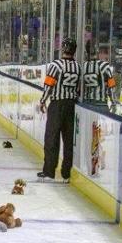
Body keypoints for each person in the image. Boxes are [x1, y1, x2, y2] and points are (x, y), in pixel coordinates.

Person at [38, 37, 81, 182]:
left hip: (57, 105)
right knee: (68, 140)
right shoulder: (78, 67)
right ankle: (66, 174)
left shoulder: (56, 65)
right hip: (71, 105)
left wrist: (43, 100)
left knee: (52, 138)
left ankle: (49, 171)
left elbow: (48, 85)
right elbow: (79, 89)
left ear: (63, 49)